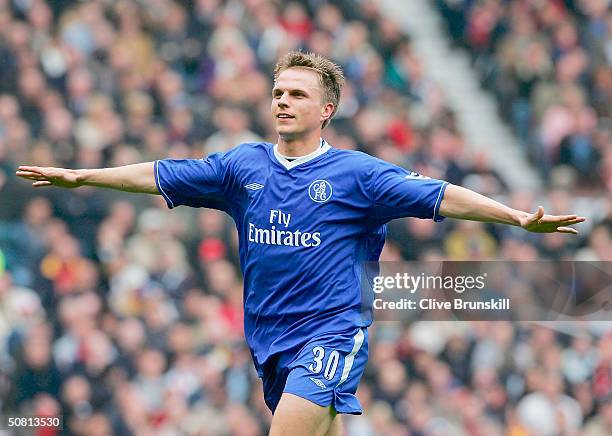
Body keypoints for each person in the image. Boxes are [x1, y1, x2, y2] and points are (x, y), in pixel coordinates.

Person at [16, 51, 585, 436]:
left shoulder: (357, 175)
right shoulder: (243, 167)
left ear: (326, 111)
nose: (283, 101)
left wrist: (514, 217)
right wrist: (83, 176)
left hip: (332, 333)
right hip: (269, 338)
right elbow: (162, 173)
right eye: (278, 92)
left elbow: (441, 195)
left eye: (297, 94)